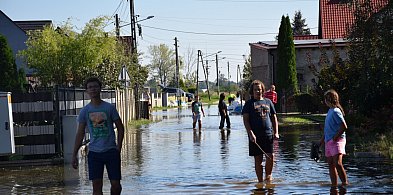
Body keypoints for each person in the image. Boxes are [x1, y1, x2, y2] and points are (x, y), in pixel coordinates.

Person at [72, 77, 125, 195]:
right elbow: (80, 134)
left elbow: (120, 128)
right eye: (90, 87)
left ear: (100, 89)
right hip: (94, 153)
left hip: (111, 151)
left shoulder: (109, 108)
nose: (93, 89)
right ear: (87, 91)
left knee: (116, 185)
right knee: (96, 186)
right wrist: (74, 154)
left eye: (95, 87)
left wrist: (119, 147)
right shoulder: (85, 111)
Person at [242, 80, 279, 183]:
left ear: (262, 90)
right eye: (255, 90)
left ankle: (268, 177)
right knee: (258, 160)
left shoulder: (268, 102)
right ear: (252, 91)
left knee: (271, 156)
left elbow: (274, 117)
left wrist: (276, 132)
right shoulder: (249, 104)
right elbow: (246, 120)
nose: (257, 91)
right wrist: (251, 134)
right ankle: (260, 182)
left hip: (268, 134)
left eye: (259, 89)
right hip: (255, 136)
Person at [319, 89, 348, 187]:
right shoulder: (330, 111)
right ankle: (334, 186)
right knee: (331, 164)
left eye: (326, 99)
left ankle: (344, 183)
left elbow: (344, 126)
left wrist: (335, 137)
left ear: (331, 99)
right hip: (328, 141)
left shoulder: (336, 111)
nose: (325, 101)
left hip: (337, 140)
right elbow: (327, 130)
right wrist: (321, 141)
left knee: (338, 163)